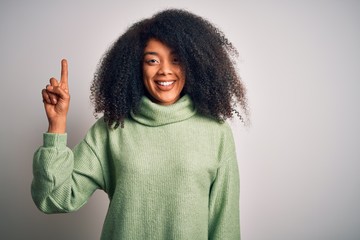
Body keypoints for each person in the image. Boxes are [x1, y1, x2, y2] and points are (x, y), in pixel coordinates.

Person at [32, 8, 248, 240]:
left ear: (192, 64)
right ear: (137, 66)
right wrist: (57, 125)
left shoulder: (215, 132)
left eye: (176, 60)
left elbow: (224, 227)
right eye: (152, 60)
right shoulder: (112, 128)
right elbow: (53, 198)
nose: (165, 70)